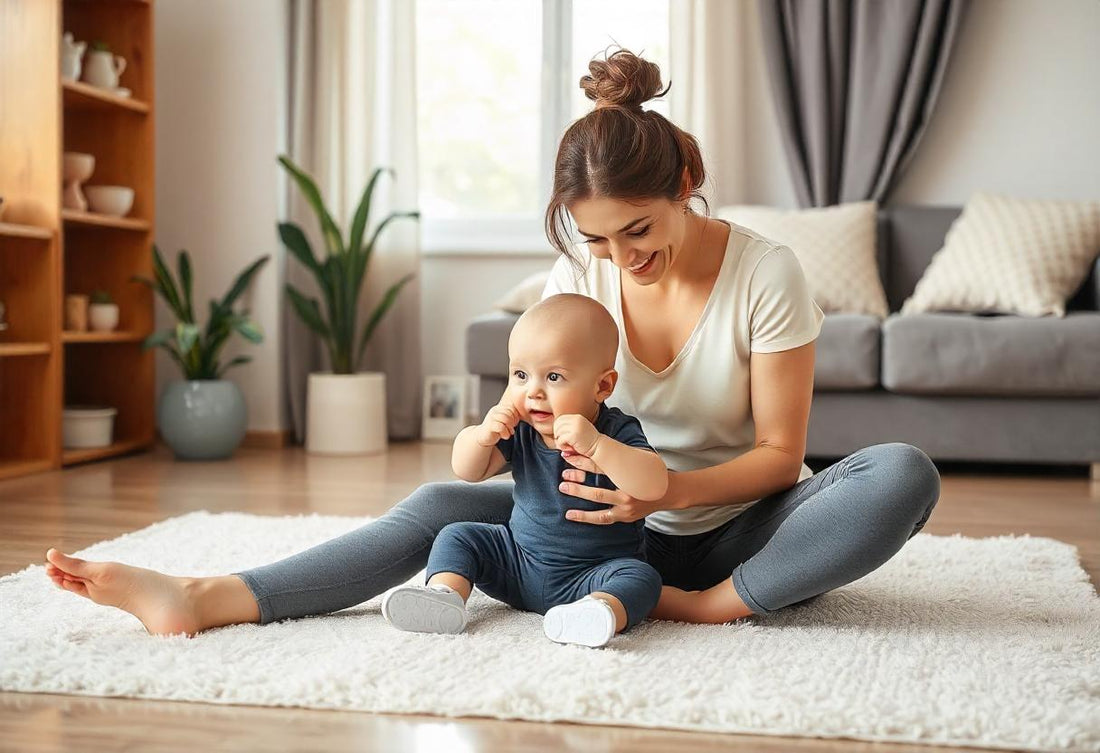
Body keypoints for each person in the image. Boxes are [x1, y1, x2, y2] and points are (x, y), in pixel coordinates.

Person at [43, 48, 940, 638]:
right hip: (585, 544)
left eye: (640, 228)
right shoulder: (579, 284)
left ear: (687, 182)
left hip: (732, 532)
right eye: (599, 241)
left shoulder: (766, 273)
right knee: (443, 502)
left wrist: (658, 496)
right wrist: (520, 430)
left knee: (900, 472)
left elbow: (783, 457)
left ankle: (704, 608)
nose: (625, 257)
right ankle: (206, 599)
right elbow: (527, 426)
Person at [381, 293, 665, 648]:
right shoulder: (523, 430)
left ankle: (596, 612)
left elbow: (654, 484)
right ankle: (445, 596)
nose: (533, 392)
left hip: (594, 574)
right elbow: (467, 470)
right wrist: (482, 435)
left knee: (641, 578)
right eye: (520, 375)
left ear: (602, 386)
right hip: (517, 563)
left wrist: (596, 446)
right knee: (458, 535)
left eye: (554, 377)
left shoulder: (615, 431)